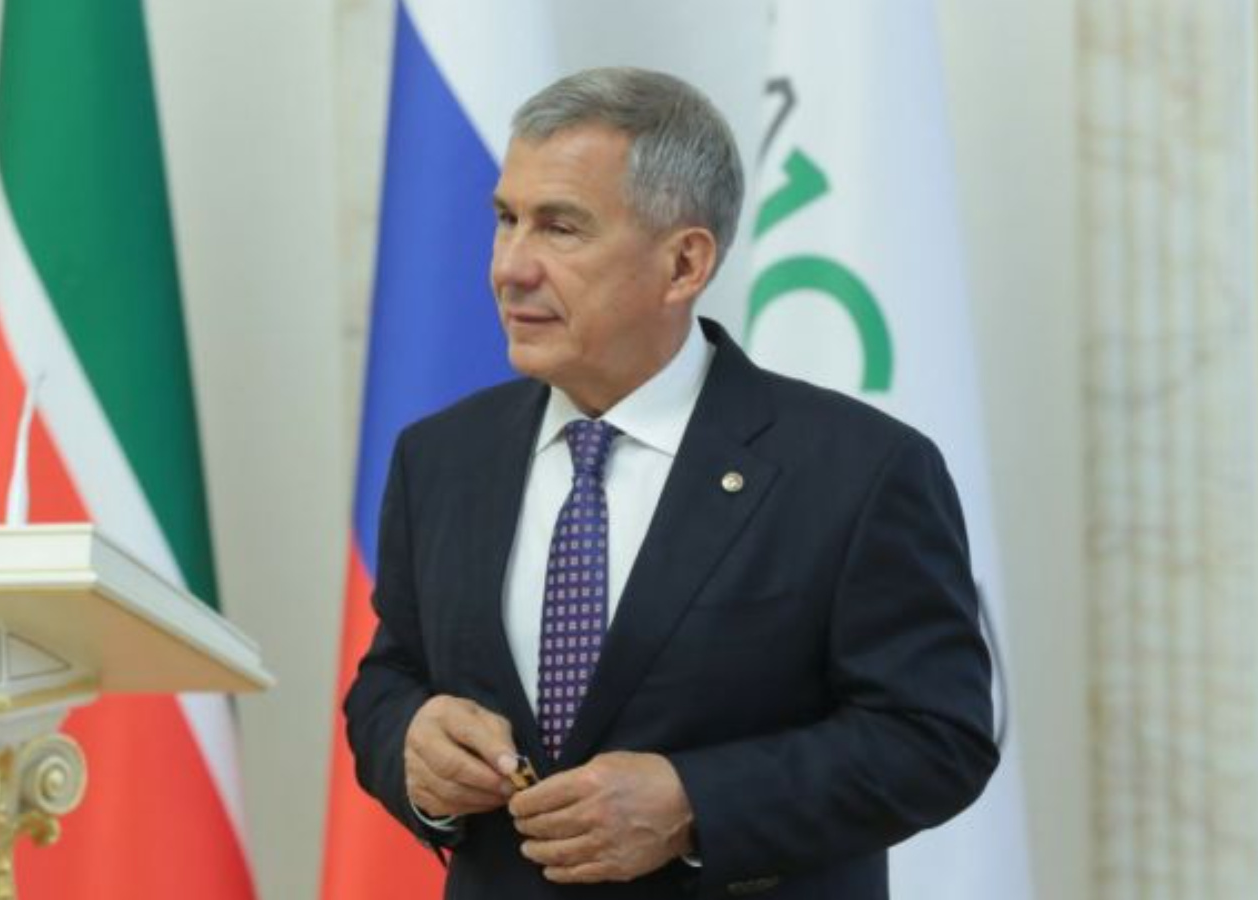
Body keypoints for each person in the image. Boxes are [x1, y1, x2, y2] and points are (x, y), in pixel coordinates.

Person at [345, 67, 996, 899]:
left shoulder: (859, 470)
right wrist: (412, 742)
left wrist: (696, 803)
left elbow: (935, 738)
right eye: (506, 219)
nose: (510, 267)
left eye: (560, 228)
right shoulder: (440, 457)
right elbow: (389, 679)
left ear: (684, 262)